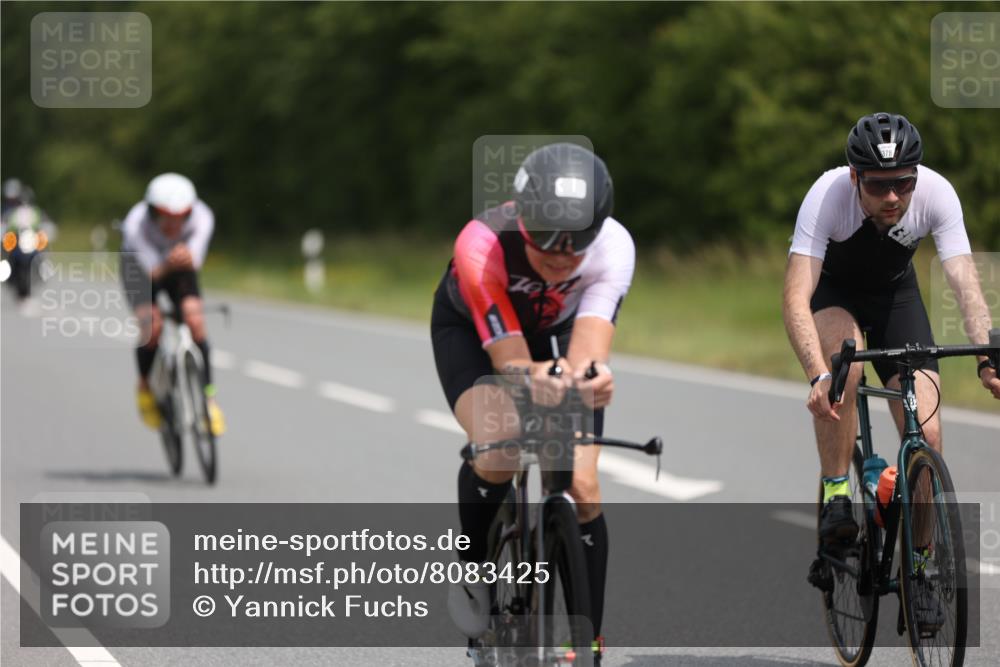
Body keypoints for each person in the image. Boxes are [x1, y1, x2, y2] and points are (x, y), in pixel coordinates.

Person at [783, 113, 998, 624]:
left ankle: (918, 567)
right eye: (880, 185)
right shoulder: (826, 195)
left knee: (929, 431)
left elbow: (964, 282)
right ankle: (838, 490)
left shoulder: (938, 194)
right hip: (835, 298)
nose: (894, 197)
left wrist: (988, 355)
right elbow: (795, 296)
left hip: (897, 300)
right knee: (845, 365)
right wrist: (817, 373)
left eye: (904, 182)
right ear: (856, 177)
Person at [431, 143, 635, 663]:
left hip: (557, 335)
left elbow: (589, 346)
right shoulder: (481, 245)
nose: (561, 255)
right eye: (546, 238)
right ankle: (474, 571)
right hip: (476, 335)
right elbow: (509, 358)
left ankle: (586, 637)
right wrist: (533, 377)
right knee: (500, 443)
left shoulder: (614, 247)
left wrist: (589, 379)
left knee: (583, 485)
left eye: (577, 244)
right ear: (521, 214)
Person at [120, 173, 225, 436]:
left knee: (195, 319)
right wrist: (170, 261)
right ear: (153, 212)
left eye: (181, 217)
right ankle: (144, 387)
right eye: (166, 216)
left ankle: (209, 402)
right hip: (140, 267)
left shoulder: (203, 216)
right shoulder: (135, 224)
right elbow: (153, 272)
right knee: (152, 326)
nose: (173, 224)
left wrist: (182, 258)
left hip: (180, 263)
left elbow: (195, 260)